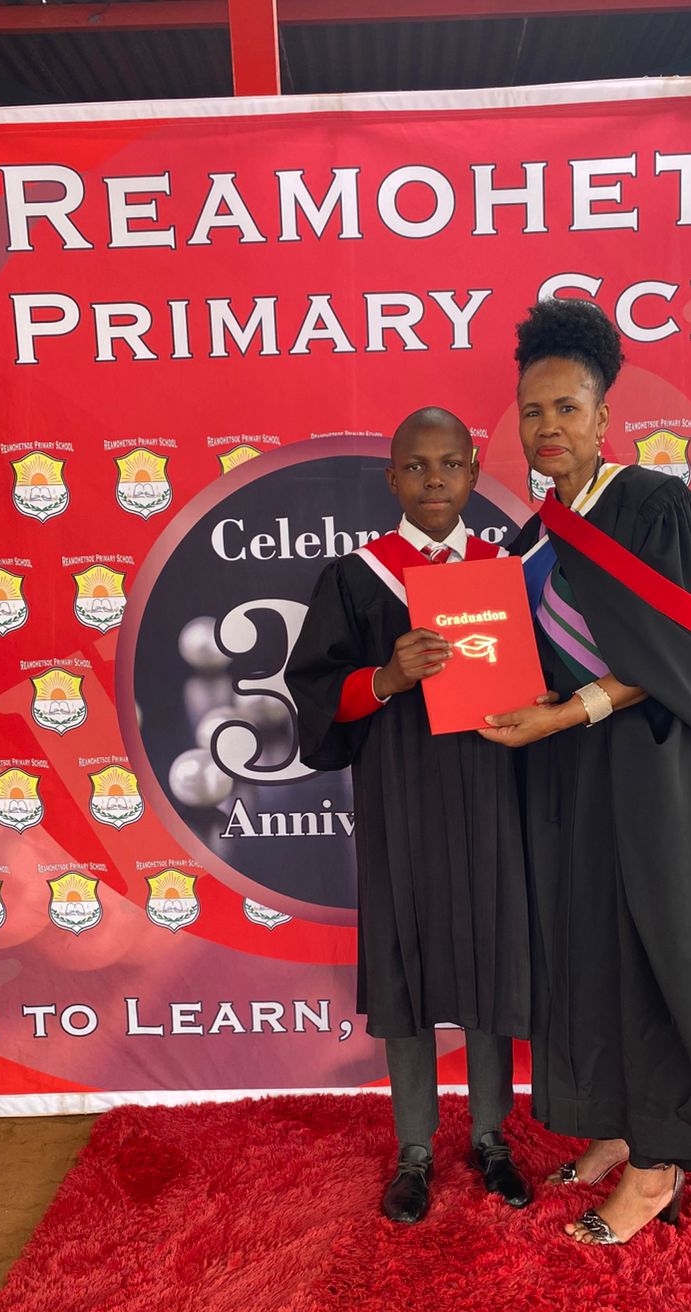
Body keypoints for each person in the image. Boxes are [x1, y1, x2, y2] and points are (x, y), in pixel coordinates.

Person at [480, 299, 691, 1247]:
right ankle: (619, 1126)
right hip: (577, 777)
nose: (548, 427)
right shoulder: (536, 533)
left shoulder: (654, 506)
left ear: (604, 415)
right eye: (533, 412)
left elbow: (684, 657)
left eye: (567, 408)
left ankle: (658, 1168)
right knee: (592, 949)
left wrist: (566, 710)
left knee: (656, 955)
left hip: (661, 773)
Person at [285, 408, 533, 1224]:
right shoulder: (357, 578)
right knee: (405, 962)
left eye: (451, 464)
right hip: (401, 799)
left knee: (494, 959)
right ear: (393, 480)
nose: (435, 480)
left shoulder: (504, 572)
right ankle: (415, 1148)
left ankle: (492, 1137)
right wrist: (387, 677)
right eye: (418, 467)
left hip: (494, 795)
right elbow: (315, 692)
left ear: (473, 473)